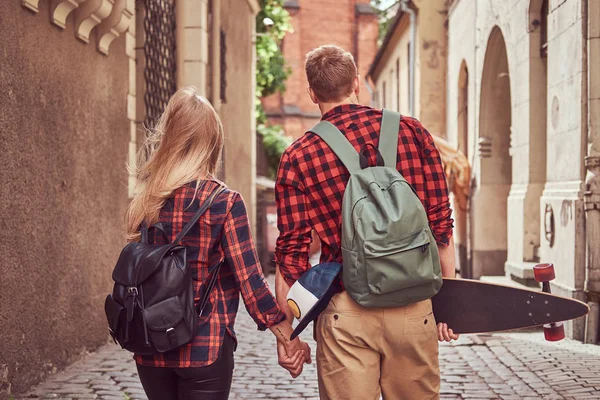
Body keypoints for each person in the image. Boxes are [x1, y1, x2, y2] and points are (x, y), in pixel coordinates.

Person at [274, 45, 459, 399]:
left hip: (347, 312)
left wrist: (289, 334)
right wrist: (449, 304)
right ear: (356, 84)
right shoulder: (412, 132)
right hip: (414, 306)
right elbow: (440, 227)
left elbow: (291, 256)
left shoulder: (298, 156)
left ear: (313, 93)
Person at [125, 87, 310, 400]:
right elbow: (251, 285)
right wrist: (288, 337)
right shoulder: (224, 202)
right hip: (205, 347)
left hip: (151, 347)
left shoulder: (146, 201)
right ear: (212, 143)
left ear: (169, 137)